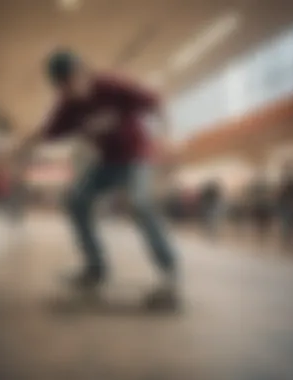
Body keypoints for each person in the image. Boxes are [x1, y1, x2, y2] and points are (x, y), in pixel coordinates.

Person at [10, 50, 179, 308]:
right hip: (106, 164)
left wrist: (167, 138)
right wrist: (19, 147)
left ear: (83, 73)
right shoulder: (67, 106)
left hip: (136, 158)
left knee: (139, 203)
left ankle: (169, 276)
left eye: (72, 81)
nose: (70, 89)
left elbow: (156, 102)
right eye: (63, 86)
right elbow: (46, 132)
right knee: (76, 200)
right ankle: (96, 269)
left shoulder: (111, 86)